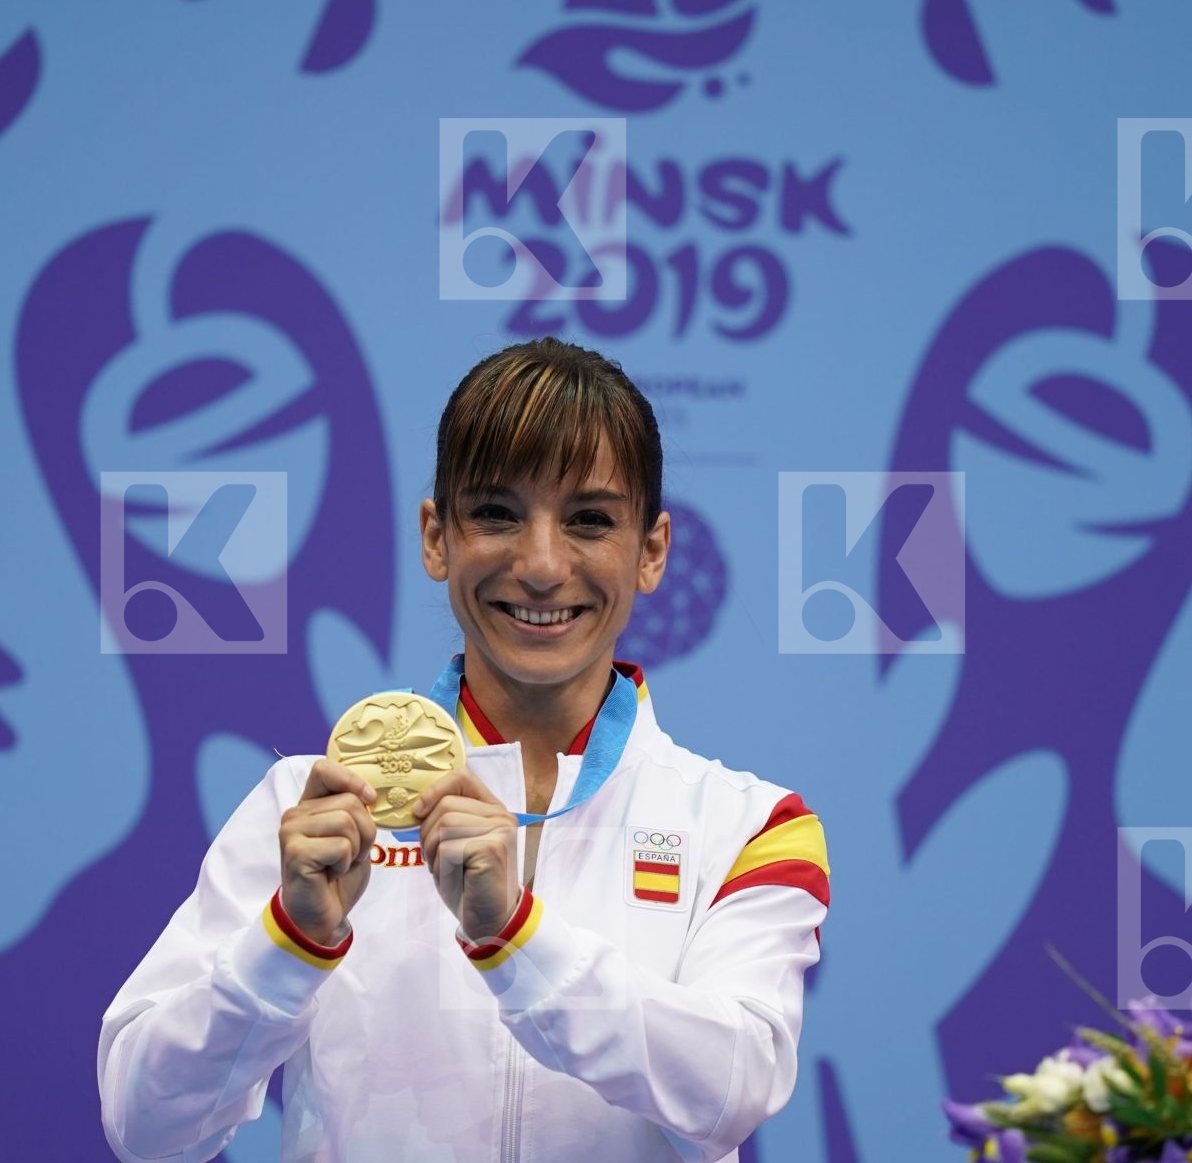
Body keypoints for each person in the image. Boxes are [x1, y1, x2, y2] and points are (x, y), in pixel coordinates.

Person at [97, 338, 830, 1163]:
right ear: (436, 536)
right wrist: (285, 944)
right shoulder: (305, 808)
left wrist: (514, 936)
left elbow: (732, 1088)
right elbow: (143, 1125)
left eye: (589, 520)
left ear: (651, 551)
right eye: (497, 514)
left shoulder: (750, 828)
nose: (542, 565)